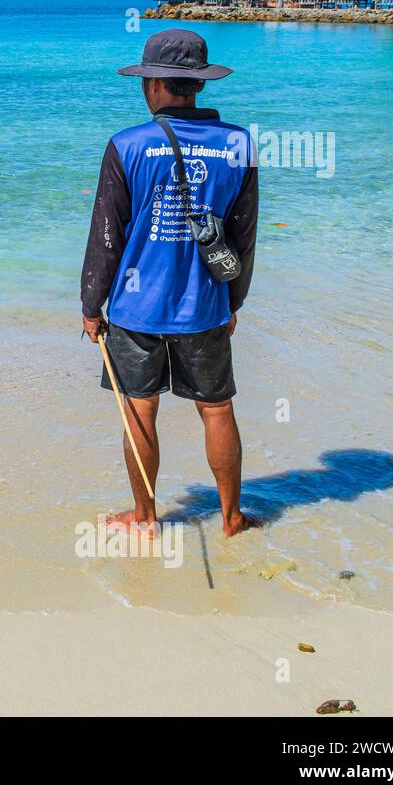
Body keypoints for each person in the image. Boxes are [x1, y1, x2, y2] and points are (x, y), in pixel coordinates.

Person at [80, 29, 259, 537]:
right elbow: (243, 236)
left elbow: (107, 238)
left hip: (137, 309)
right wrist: (231, 302)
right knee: (217, 409)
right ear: (197, 85)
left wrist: (92, 306)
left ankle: (145, 518)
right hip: (206, 307)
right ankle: (231, 518)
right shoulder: (239, 145)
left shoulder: (126, 145)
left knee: (140, 411)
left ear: (155, 83)